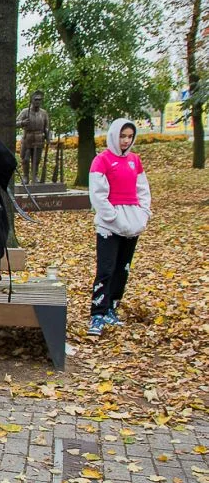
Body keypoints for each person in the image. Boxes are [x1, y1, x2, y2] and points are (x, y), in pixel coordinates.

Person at [87, 118, 151, 337]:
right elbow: (98, 195)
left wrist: (142, 214)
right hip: (109, 225)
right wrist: (113, 217)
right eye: (122, 136)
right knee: (106, 269)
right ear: (114, 135)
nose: (126, 140)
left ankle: (112, 308)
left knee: (122, 269)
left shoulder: (135, 160)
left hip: (132, 223)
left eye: (129, 136)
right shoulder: (101, 161)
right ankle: (98, 313)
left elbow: (143, 190)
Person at [16, 91, 50, 183]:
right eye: (36, 99)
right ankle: (25, 176)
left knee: (36, 160)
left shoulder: (43, 113)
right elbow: (15, 123)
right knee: (25, 159)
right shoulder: (25, 112)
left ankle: (35, 176)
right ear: (31, 100)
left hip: (39, 138)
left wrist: (48, 137)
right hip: (28, 138)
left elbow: (46, 127)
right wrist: (22, 123)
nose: (38, 102)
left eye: (39, 100)